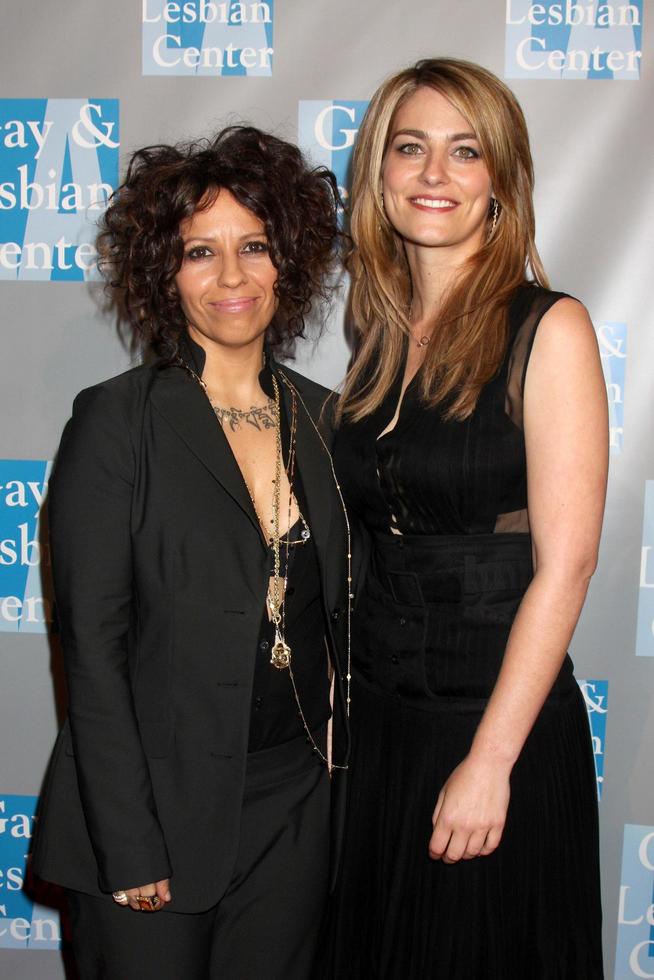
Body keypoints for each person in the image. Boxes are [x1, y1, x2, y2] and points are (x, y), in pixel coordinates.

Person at [31, 125, 353, 980]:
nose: (232, 277)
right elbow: (92, 652)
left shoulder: (326, 423)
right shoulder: (117, 420)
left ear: (291, 258)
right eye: (198, 252)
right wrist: (127, 844)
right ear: (162, 273)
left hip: (295, 808)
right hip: (152, 811)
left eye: (254, 246)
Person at [321, 58, 607, 978]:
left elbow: (566, 565)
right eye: (411, 148)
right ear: (380, 172)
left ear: (502, 181)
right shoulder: (376, 335)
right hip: (384, 732)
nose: (433, 174)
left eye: (464, 151)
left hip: (496, 731)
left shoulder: (548, 328)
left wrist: (490, 763)